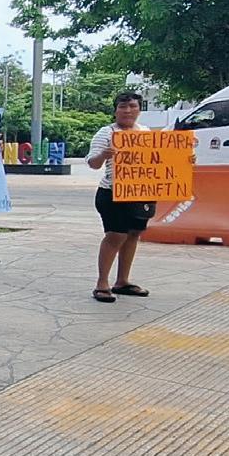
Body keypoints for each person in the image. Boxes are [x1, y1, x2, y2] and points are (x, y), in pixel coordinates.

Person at [87, 92, 154, 303]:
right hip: (112, 193)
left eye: (132, 106)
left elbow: (158, 159)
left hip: (140, 192)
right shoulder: (106, 133)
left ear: (139, 109)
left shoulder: (146, 133)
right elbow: (92, 163)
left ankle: (122, 281)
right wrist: (104, 155)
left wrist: (184, 157)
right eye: (123, 107)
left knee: (133, 234)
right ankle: (102, 283)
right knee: (115, 235)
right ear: (115, 110)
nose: (128, 111)